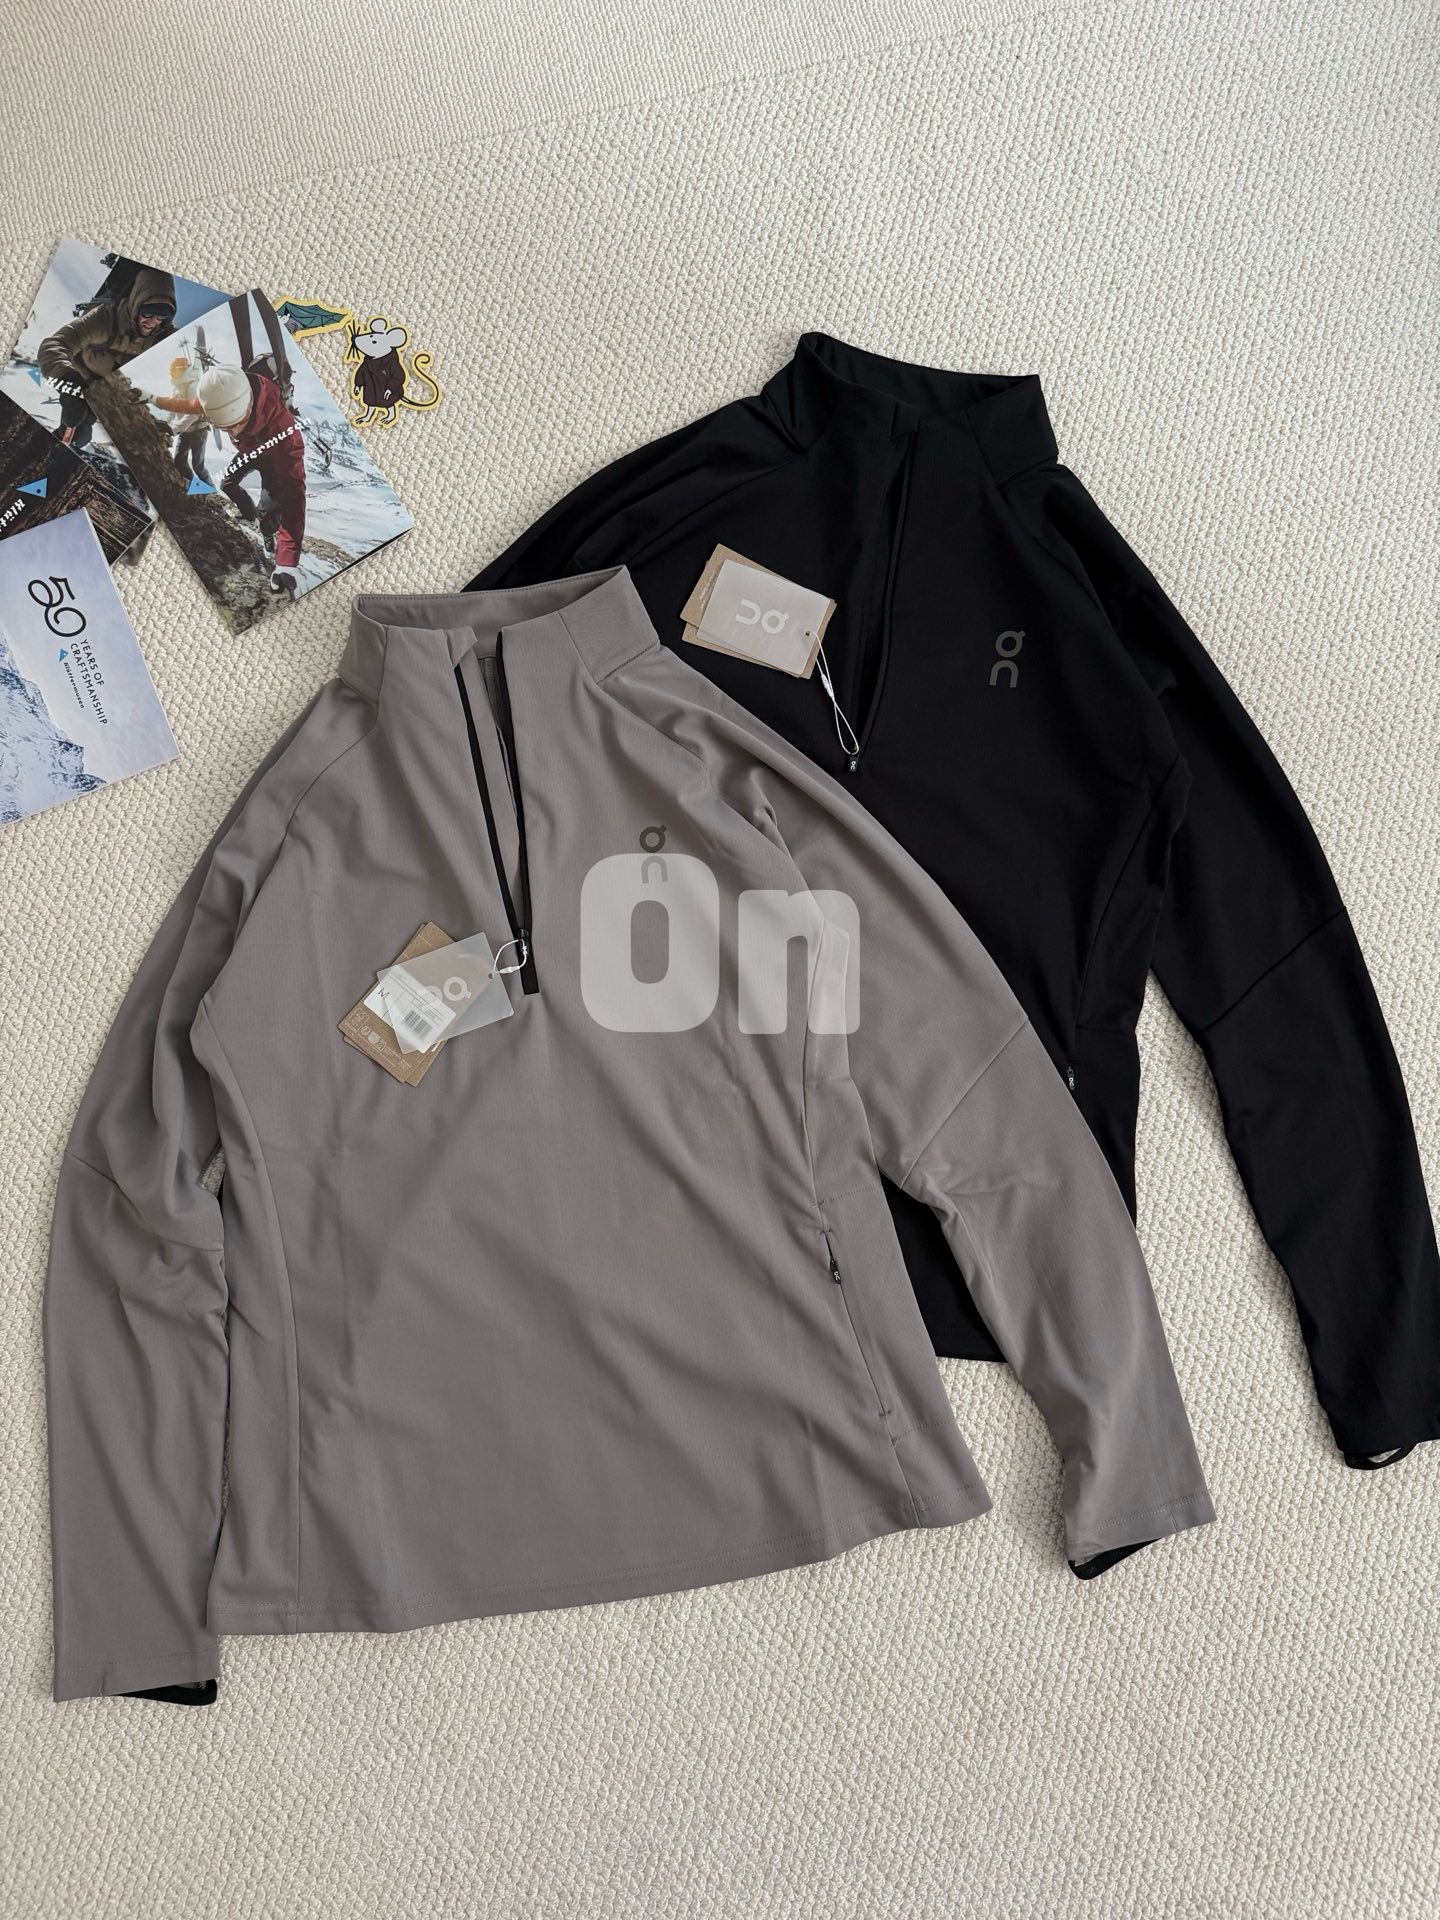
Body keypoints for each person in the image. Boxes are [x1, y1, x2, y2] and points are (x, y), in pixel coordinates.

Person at [155, 363, 306, 595]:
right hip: (250, 451)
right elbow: (192, 405)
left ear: (250, 405)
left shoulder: (285, 432)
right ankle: (250, 516)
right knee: (227, 483)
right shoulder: (220, 398)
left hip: (274, 459)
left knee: (269, 509)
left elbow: (295, 494)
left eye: (237, 424)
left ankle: (267, 533)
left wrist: (287, 561)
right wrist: (155, 403)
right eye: (224, 428)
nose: (233, 433)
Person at [38, 263, 177, 451]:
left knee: (80, 435)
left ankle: (58, 451)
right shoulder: (105, 318)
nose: (153, 322)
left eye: (162, 315)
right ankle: (41, 450)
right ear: (136, 303)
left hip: (105, 390)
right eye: (149, 311)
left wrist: (149, 423)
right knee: (73, 421)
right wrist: (66, 380)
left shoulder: (160, 338)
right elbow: (55, 345)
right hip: (78, 378)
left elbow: (128, 388)